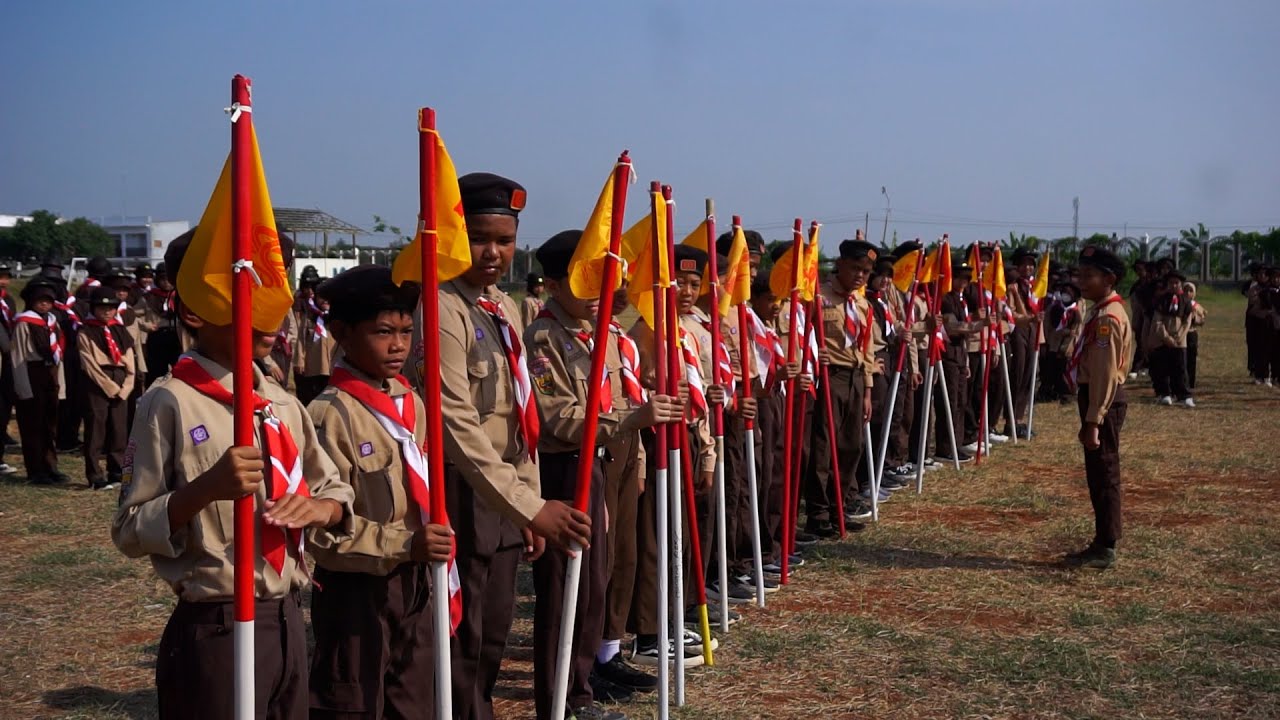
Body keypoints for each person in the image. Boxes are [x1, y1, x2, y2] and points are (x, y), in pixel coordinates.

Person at [111, 231, 354, 720]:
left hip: (288, 616)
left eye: (275, 290)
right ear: (195, 310)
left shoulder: (282, 403)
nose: (270, 306)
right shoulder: (171, 402)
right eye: (250, 290)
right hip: (217, 623)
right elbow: (130, 529)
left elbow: (333, 487)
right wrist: (205, 490)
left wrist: (322, 509)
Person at [429, 172, 588, 720]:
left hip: (502, 494)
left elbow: (521, 417)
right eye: (479, 238)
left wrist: (527, 503)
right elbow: (456, 424)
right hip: (460, 490)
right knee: (464, 635)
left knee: (494, 628)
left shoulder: (501, 306)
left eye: (505, 239)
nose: (493, 252)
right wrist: (529, 506)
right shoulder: (441, 308)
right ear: (452, 234)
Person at [525, 229, 682, 720]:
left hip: (599, 464)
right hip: (562, 468)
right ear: (551, 284)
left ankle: (581, 685)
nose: (596, 294)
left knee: (594, 583)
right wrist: (633, 419)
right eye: (582, 283)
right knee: (563, 591)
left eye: (600, 281)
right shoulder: (544, 338)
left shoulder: (596, 336)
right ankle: (560, 699)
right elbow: (559, 417)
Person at [303, 265, 455, 718]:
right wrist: (406, 543)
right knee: (353, 699)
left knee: (413, 695)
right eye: (382, 332)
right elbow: (325, 533)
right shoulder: (329, 415)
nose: (398, 346)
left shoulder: (411, 402)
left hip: (414, 578)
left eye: (406, 332)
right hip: (356, 586)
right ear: (341, 334)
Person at [1065, 245, 1133, 570]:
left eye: (1089, 276)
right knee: (1097, 473)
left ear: (1109, 278)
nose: (1082, 281)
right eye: (1080, 274)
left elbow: (1106, 374)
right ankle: (1101, 540)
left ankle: (1106, 546)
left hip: (1101, 400)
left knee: (1104, 473)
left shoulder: (1108, 318)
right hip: (1096, 398)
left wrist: (1093, 420)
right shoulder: (1099, 311)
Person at [804, 239, 877, 529]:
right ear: (841, 264)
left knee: (851, 447)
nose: (860, 275)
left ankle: (840, 508)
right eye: (856, 268)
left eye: (866, 271)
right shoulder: (818, 298)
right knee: (823, 447)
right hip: (829, 377)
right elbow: (803, 334)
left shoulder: (862, 304)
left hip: (856, 378)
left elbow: (867, 348)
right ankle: (818, 513)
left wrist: (868, 390)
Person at [78, 286, 136, 491]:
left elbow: (130, 360)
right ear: (93, 308)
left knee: (119, 429)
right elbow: (89, 364)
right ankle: (95, 474)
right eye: (102, 308)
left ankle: (117, 470)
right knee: (96, 428)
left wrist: (127, 386)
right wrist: (110, 387)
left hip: (121, 380)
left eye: (111, 308)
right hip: (98, 382)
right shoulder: (86, 331)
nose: (107, 311)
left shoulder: (120, 329)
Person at [12, 280, 69, 484]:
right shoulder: (24, 322)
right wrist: (22, 388)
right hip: (31, 373)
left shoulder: (53, 322)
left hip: (50, 374)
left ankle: (50, 466)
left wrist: (60, 384)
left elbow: (59, 355)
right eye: (40, 301)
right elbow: (17, 356)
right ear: (31, 302)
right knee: (32, 426)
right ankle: (35, 470)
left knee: (49, 424)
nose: (44, 305)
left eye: (48, 301)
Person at [1148, 272, 1195, 407]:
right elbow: (1157, 321)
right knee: (1162, 367)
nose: (1174, 285)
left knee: (1180, 368)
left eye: (1176, 283)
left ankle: (1184, 395)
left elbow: (1187, 321)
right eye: (1171, 283)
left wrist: (1179, 337)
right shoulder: (1160, 300)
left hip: (1180, 339)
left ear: (1180, 284)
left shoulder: (1185, 301)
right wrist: (1166, 337)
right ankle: (1165, 393)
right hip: (1162, 338)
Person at [0, 264, 17, 473]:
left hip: (7, 361)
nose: (3, 281)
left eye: (5, 277)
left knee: (4, 407)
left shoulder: (8, 300)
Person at [1184, 282, 1207, 389]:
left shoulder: (1196, 306)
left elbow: (1202, 320)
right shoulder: (1178, 303)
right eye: (1185, 290)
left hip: (1191, 334)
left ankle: (1191, 382)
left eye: (1190, 291)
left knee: (1191, 358)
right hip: (1180, 335)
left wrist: (1195, 318)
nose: (1187, 293)